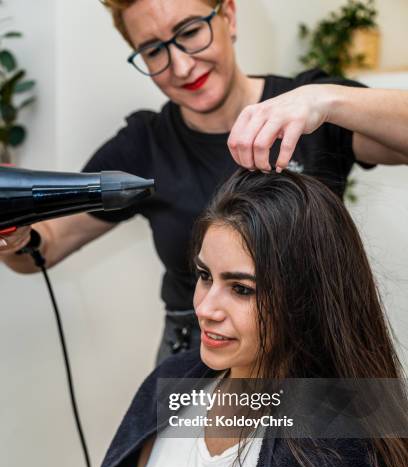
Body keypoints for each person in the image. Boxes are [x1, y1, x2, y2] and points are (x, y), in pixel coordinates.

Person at [30, 169, 407, 467]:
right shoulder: (177, 384)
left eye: (241, 289)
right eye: (205, 276)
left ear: (307, 297)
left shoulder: (338, 444)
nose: (206, 308)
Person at [1, 0, 408, 364]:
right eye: (153, 50)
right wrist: (18, 239)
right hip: (199, 348)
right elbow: (45, 245)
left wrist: (327, 100)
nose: (180, 66)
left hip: (311, 339)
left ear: (228, 16)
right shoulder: (143, 146)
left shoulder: (312, 111)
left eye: (190, 32)